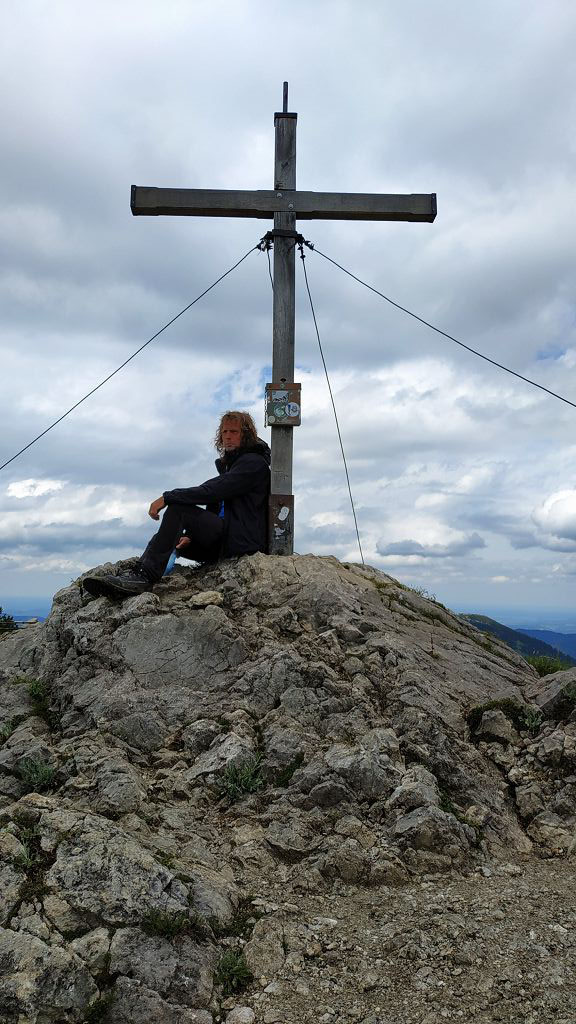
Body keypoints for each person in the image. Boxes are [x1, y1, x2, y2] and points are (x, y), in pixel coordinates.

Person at [83, 411, 270, 598]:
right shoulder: (232, 467)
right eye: (224, 432)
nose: (228, 436)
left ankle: (144, 577)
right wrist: (191, 536)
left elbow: (211, 491)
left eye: (234, 432)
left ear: (245, 435)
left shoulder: (253, 464)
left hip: (240, 543)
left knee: (178, 510)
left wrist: (167, 497)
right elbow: (215, 501)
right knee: (166, 537)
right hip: (225, 541)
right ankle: (135, 576)